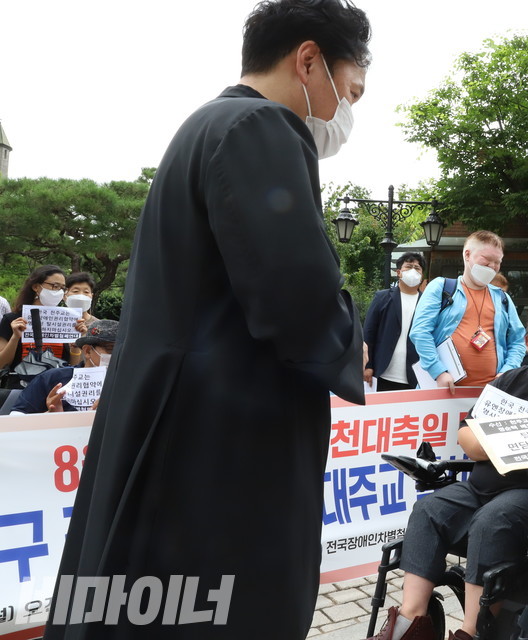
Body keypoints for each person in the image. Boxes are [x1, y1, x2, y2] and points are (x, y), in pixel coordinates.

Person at [44, 2, 368, 639]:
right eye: (350, 90)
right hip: (218, 446)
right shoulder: (261, 127)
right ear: (308, 61)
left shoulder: (206, 126)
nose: (347, 112)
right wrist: (346, 342)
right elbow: (296, 296)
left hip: (173, 420)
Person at [366, 296, 528, 640]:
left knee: (492, 520)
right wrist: (500, 441)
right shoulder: (506, 384)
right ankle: (411, 622)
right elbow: (468, 434)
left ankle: (472, 631)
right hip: (482, 486)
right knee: (429, 508)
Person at [409, 230, 525, 394]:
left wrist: (507, 371)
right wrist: (439, 372)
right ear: (467, 255)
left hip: (489, 394)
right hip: (441, 390)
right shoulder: (441, 287)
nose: (492, 267)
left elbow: (518, 340)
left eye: (497, 262)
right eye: (487, 260)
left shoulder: (502, 298)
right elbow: (420, 332)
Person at [8, 319, 117, 414]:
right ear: (87, 351)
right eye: (111, 350)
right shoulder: (52, 379)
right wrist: (51, 416)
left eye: (124, 351)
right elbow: (16, 418)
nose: (118, 356)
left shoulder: (128, 386)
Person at [364, 252, 425, 391]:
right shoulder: (382, 298)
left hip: (414, 376)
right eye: (408, 267)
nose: (413, 271)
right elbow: (368, 333)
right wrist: (368, 365)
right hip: (382, 373)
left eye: (417, 268)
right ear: (399, 272)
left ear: (422, 275)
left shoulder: (427, 303)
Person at [0, 265, 68, 379]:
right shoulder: (12, 320)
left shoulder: (66, 320)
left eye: (63, 288)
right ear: (36, 287)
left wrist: (76, 347)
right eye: (55, 286)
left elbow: (73, 364)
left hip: (57, 386)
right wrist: (15, 337)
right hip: (20, 387)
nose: (59, 292)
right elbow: (2, 364)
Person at [63, 272, 99, 365]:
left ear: (92, 296)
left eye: (86, 292)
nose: (81, 295)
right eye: (75, 291)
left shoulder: (98, 326)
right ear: (65, 295)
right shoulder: (54, 322)